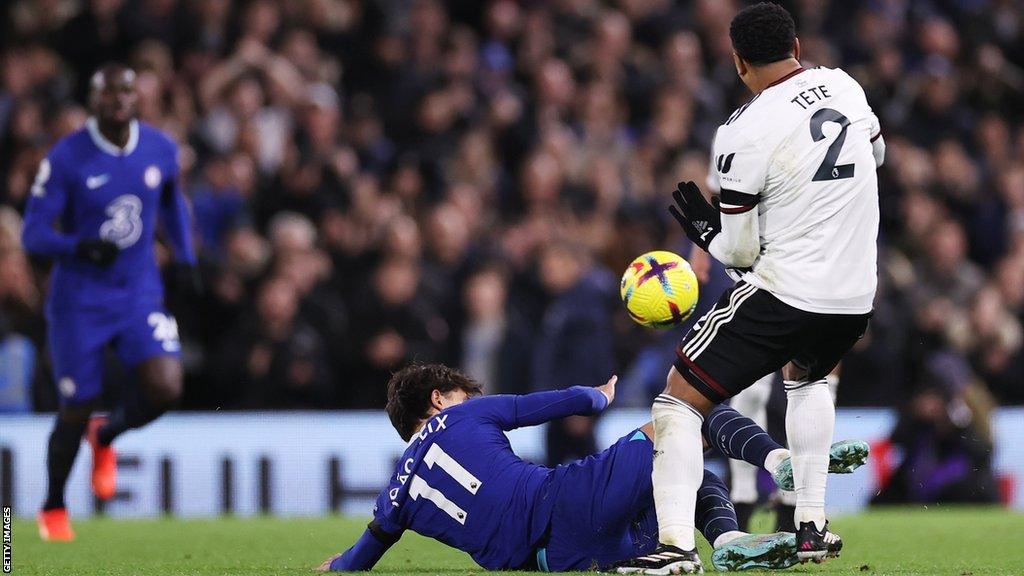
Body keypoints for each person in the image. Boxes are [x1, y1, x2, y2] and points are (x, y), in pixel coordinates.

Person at [616, 3, 885, 572]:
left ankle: (676, 549)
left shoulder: (742, 129)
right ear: (797, 43)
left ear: (737, 62)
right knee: (808, 381)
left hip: (788, 292)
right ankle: (811, 525)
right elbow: (875, 154)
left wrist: (706, 233)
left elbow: (738, 254)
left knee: (679, 399)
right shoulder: (844, 85)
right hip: (855, 296)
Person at [316, 364, 866, 573]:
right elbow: (549, 404)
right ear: (439, 399)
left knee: (687, 475)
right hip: (566, 500)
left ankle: (722, 545)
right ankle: (777, 462)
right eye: (462, 392)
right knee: (686, 414)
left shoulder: (395, 494)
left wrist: (332, 568)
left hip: (558, 558)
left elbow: (359, 559)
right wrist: (598, 396)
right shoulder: (465, 415)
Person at [21, 63, 197, 541]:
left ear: (137, 98)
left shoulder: (160, 147)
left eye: (127, 91)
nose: (119, 99)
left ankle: (108, 436)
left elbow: (171, 202)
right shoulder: (67, 156)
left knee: (166, 387)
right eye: (108, 92)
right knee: (76, 404)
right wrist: (76, 245)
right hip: (79, 298)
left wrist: (184, 257)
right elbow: (32, 233)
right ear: (93, 100)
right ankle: (53, 505)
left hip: (139, 290)